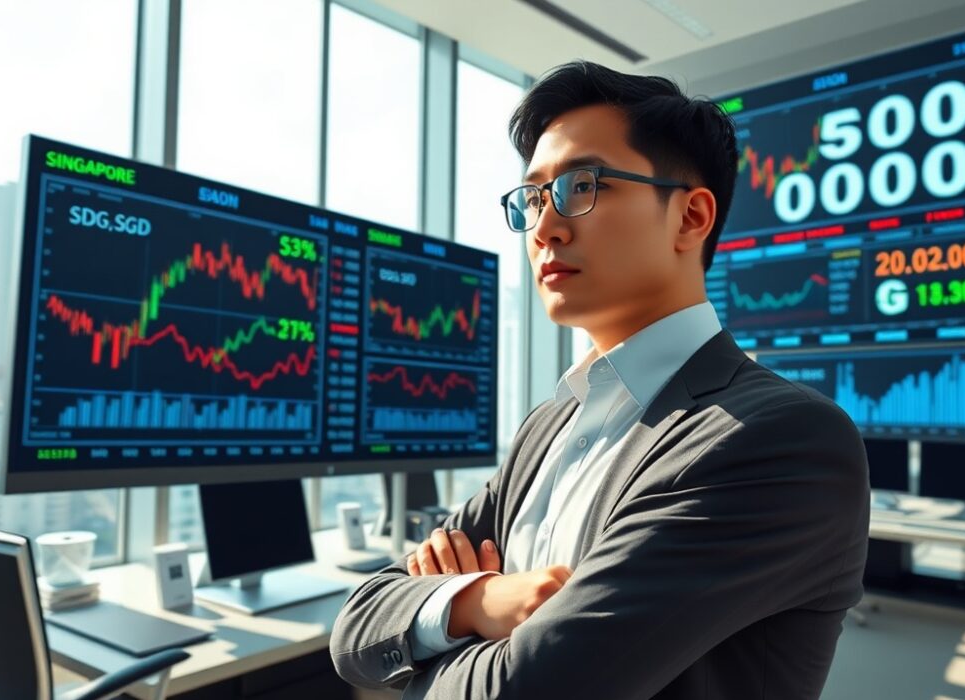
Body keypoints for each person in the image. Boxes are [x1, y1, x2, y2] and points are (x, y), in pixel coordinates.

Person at [330, 60, 869, 700]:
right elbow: (355, 630)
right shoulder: (549, 426)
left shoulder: (777, 438)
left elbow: (529, 690)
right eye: (533, 198)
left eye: (582, 186)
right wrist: (477, 599)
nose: (546, 227)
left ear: (690, 218)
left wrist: (432, 632)